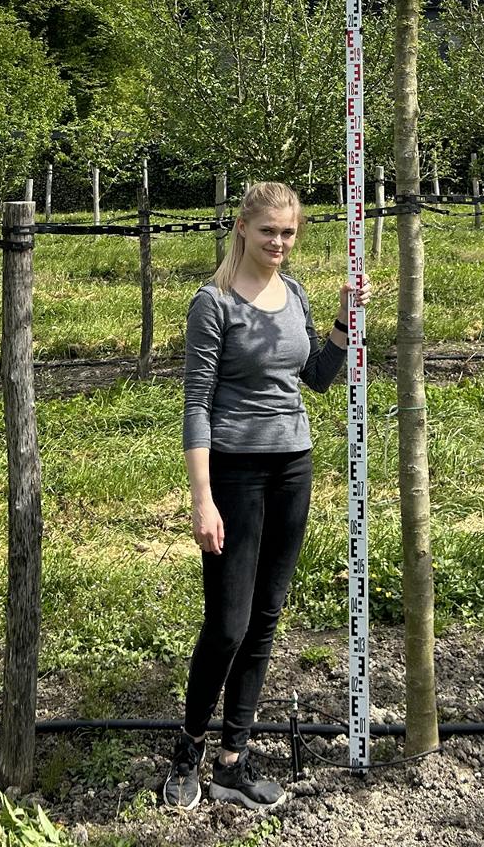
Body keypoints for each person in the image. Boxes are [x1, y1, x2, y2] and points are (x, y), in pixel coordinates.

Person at [163, 180, 369, 812]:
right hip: (233, 473)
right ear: (242, 231)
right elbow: (197, 403)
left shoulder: (295, 294)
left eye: (289, 232)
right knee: (226, 624)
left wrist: (341, 322)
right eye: (268, 231)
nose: (279, 242)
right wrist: (202, 497)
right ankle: (188, 751)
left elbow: (316, 379)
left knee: (266, 618)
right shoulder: (213, 303)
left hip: (292, 468)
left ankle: (233, 758)